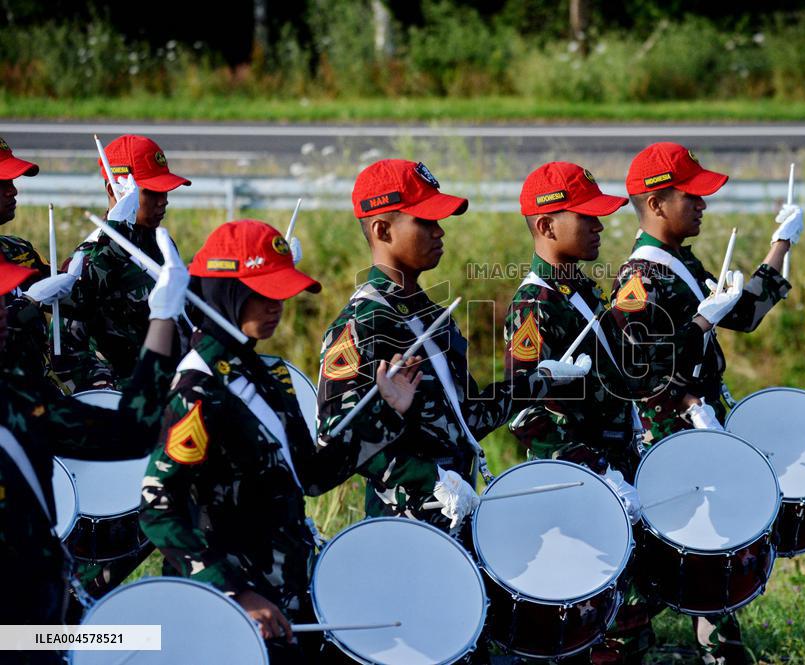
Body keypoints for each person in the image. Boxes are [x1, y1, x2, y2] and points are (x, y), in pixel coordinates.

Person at [139, 220, 371, 664]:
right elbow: (157, 504)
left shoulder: (263, 374)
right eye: (263, 293)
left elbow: (311, 475)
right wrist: (234, 590)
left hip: (285, 598)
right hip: (229, 614)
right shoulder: (197, 387)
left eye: (281, 292)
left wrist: (385, 410)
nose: (277, 306)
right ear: (226, 292)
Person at [316, 158, 587, 532]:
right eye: (425, 221)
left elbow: (467, 418)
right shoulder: (360, 325)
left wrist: (540, 378)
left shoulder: (435, 319)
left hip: (458, 518)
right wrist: (432, 480)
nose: (439, 231)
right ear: (382, 229)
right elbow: (334, 440)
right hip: (402, 528)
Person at [609, 142, 802, 664]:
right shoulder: (639, 277)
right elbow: (642, 370)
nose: (702, 204)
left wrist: (779, 246)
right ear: (654, 203)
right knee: (672, 572)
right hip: (668, 444)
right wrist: (699, 337)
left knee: (708, 568)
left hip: (697, 433)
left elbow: (742, 315)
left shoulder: (680, 262)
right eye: (690, 195)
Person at [0, 231, 186, 665]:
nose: (7, 312)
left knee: (141, 643)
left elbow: (133, 432)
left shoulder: (20, 400)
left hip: (34, 633)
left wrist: (161, 323)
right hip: (16, 634)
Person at [504, 161, 652, 664]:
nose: (600, 226)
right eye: (586, 217)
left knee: (631, 620)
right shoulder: (534, 306)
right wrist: (601, 473)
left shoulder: (580, 290)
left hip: (617, 474)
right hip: (580, 491)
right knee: (598, 627)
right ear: (546, 226)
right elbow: (526, 417)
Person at [58, 134, 192, 392]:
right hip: (134, 404)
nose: (163, 200)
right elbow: (67, 352)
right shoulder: (89, 257)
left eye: (165, 190)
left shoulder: (159, 241)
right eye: (151, 192)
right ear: (115, 190)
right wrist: (114, 391)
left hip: (175, 390)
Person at [0, 137, 81, 382]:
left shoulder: (18, 251)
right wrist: (28, 303)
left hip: (31, 399)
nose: (13, 190)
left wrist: (109, 234)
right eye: (2, 183)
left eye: (12, 181)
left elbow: (77, 300)